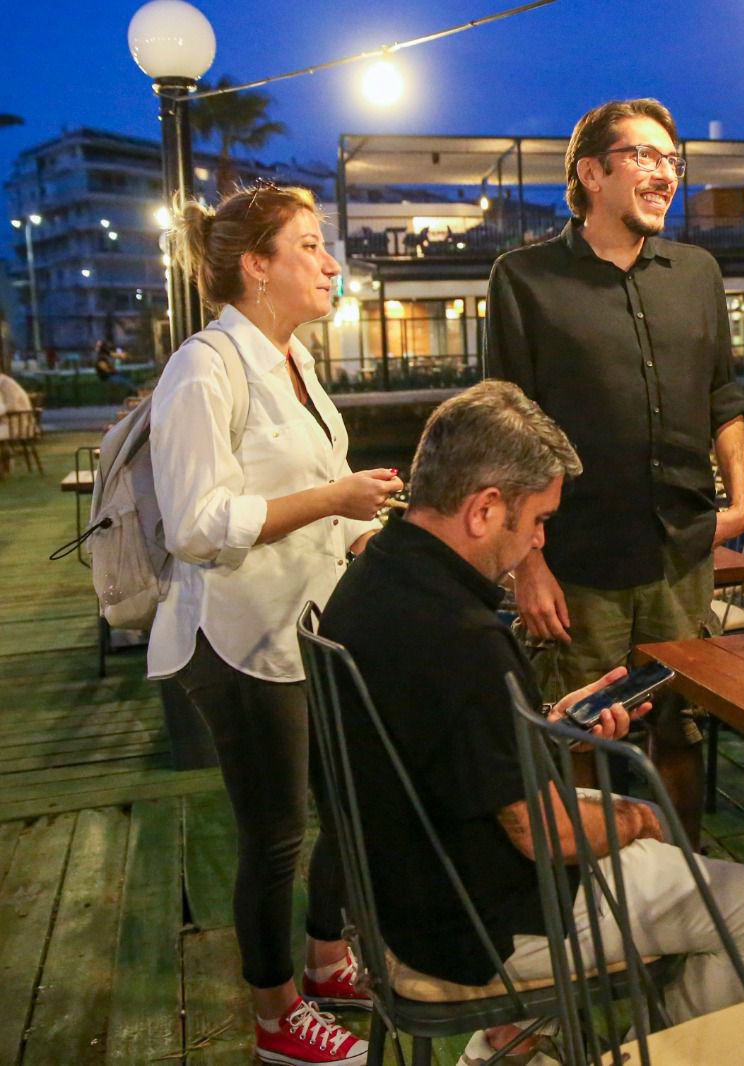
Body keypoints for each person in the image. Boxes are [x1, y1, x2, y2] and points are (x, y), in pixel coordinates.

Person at [319, 381, 744, 1066]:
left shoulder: (372, 578)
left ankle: (510, 1041)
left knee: (628, 824)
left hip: (392, 891)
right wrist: (639, 821)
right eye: (538, 519)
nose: (541, 539)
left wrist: (546, 722)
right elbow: (541, 833)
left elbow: (446, 738)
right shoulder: (463, 637)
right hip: (474, 924)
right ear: (485, 509)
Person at [152, 181, 404, 1066]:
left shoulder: (292, 360)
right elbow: (195, 523)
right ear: (257, 267)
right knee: (274, 838)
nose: (332, 263)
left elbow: (310, 502)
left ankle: (327, 960)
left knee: (349, 804)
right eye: (310, 246)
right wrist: (333, 497)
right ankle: (275, 1018)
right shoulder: (204, 367)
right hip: (239, 638)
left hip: (309, 630)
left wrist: (369, 529)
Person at [485, 97, 744, 844]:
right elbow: (506, 428)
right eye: (644, 155)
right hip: (578, 561)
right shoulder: (523, 278)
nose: (665, 173)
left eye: (672, 160)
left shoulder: (698, 273)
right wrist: (527, 564)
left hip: (682, 557)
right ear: (592, 173)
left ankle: (686, 871)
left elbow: (724, 396)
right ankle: (590, 892)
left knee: (682, 727)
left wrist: (739, 502)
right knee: (577, 731)